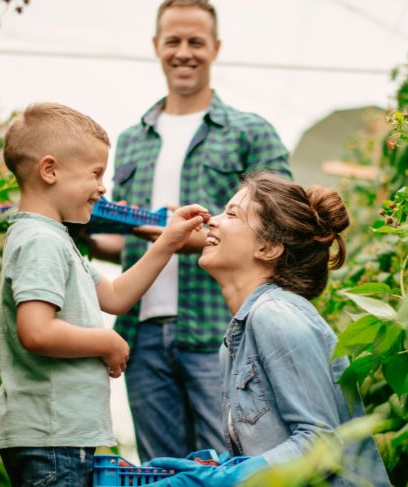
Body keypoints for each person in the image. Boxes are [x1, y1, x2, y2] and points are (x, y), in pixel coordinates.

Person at [117, 172, 403, 487]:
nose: (212, 221)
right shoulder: (240, 335)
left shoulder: (277, 316)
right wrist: (205, 470)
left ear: (267, 248)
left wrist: (209, 485)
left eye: (231, 213)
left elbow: (318, 446)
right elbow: (275, 452)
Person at [0, 102, 209, 487]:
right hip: (53, 432)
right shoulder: (42, 243)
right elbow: (37, 330)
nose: (102, 187)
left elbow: (112, 296)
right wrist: (108, 341)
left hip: (49, 430)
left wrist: (167, 242)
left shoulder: (56, 241)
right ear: (49, 170)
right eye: (94, 173)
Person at [85, 0, 292, 462]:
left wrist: (161, 231)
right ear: (156, 46)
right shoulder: (132, 138)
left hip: (220, 331)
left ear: (215, 48)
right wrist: (84, 235)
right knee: (164, 477)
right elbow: (127, 243)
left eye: (196, 42)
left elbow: (279, 231)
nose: (184, 52)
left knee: (233, 469)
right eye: (173, 41)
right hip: (142, 331)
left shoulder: (249, 132)